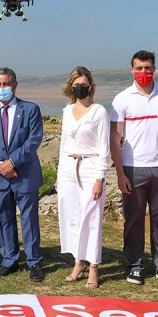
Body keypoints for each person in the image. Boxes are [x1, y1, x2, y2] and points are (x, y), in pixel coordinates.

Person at [109, 50, 158, 288]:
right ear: (132, 70)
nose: (144, 72)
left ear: (154, 69)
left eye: (148, 68)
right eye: (139, 68)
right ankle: (134, 266)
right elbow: (115, 137)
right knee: (133, 219)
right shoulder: (122, 99)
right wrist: (120, 173)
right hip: (133, 168)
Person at [0, 67, 45, 282]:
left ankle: (34, 261)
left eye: (5, 84)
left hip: (24, 174)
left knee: (29, 219)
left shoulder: (30, 109)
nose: (2, 88)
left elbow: (33, 140)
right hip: (0, 176)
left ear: (15, 85)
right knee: (4, 218)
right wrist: (0, 164)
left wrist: (12, 162)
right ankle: (9, 259)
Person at [57, 67, 110, 289]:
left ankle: (94, 266)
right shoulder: (67, 111)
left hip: (89, 167)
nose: (80, 88)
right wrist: (60, 175)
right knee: (72, 216)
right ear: (71, 87)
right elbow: (62, 144)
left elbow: (104, 147)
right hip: (68, 167)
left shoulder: (99, 112)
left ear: (91, 87)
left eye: (84, 84)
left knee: (92, 217)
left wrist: (100, 178)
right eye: (76, 84)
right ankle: (78, 262)